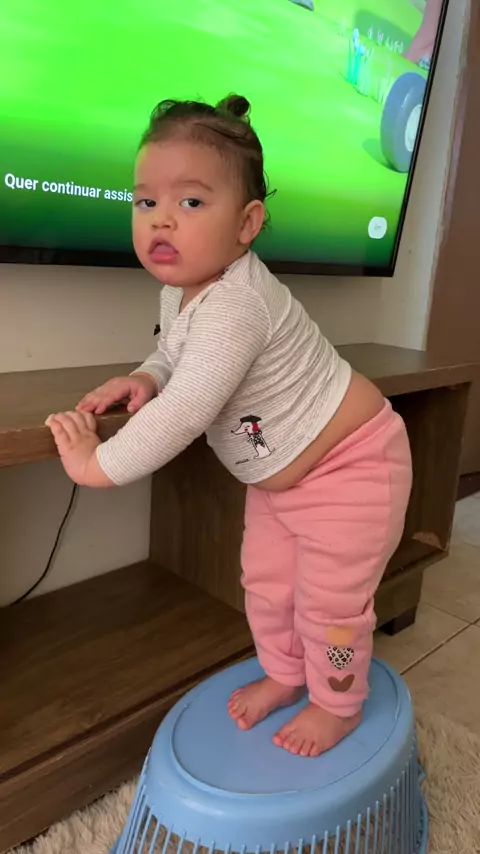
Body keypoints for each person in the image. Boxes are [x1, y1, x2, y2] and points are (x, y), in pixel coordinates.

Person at [46, 95, 412, 758]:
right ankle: (285, 672)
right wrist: (146, 377)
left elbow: (187, 410)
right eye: (145, 201)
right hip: (281, 483)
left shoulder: (238, 303)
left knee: (330, 607)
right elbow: (175, 357)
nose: (161, 219)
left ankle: (338, 704)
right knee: (265, 587)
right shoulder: (184, 291)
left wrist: (96, 466)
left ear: (247, 223)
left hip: (352, 469)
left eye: (190, 202)